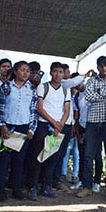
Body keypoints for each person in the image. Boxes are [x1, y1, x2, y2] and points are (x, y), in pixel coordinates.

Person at [25, 62, 70, 200]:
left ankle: (47, 186)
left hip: (57, 128)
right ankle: (33, 187)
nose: (58, 74)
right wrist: (54, 123)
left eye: (60, 72)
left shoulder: (65, 90)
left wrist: (60, 124)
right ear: (50, 73)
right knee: (38, 156)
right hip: (43, 125)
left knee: (52, 157)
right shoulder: (42, 87)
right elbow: (40, 108)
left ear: (63, 74)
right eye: (55, 71)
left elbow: (67, 109)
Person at [77, 55, 106, 199]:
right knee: (89, 155)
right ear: (97, 68)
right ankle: (87, 187)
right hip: (92, 122)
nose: (104, 68)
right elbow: (88, 96)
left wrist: (100, 94)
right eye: (101, 66)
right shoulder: (91, 81)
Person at [0, 61, 38, 201]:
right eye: (22, 70)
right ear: (15, 71)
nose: (25, 73)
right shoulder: (6, 87)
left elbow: (33, 111)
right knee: (4, 160)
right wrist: (2, 126)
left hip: (23, 129)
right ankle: (1, 190)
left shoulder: (31, 88)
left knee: (19, 161)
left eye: (28, 70)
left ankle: (16, 189)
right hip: (9, 127)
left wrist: (32, 129)